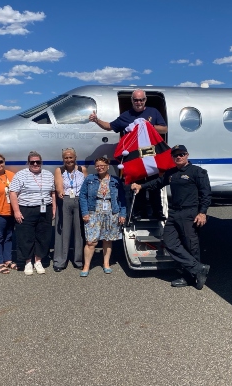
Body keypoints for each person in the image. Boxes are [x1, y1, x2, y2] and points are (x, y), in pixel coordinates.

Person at [131, 145, 212, 290]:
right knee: (169, 242)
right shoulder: (171, 173)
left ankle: (191, 276)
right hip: (174, 213)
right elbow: (157, 183)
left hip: (190, 213)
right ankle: (198, 268)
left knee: (191, 245)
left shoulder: (197, 172)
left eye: (181, 154)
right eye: (175, 155)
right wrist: (141, 186)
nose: (178, 157)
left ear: (187, 155)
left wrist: (202, 212)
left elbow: (206, 193)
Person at [88, 89, 167, 221]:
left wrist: (147, 125)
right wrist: (96, 120)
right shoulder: (126, 115)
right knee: (137, 185)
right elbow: (109, 126)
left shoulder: (153, 112)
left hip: (150, 155)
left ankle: (157, 212)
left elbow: (164, 129)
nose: (139, 102)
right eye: (136, 100)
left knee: (154, 185)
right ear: (132, 101)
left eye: (141, 99)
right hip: (135, 156)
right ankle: (139, 213)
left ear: (145, 100)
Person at [9, 151, 56, 276]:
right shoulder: (21, 175)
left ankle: (38, 261)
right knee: (26, 237)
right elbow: (13, 192)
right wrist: (16, 211)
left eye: (38, 162)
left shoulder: (48, 175)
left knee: (43, 236)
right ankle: (28, 262)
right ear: (28, 163)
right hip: (26, 209)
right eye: (32, 162)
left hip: (45, 209)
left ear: (41, 162)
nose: (35, 164)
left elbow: (52, 192)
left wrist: (54, 207)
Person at [78, 157, 126, 277]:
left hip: (111, 212)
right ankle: (86, 266)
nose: (100, 167)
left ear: (107, 166)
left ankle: (106, 263)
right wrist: (84, 212)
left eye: (102, 165)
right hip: (94, 211)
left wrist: (122, 213)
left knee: (107, 239)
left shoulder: (115, 180)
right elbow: (82, 196)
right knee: (91, 241)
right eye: (98, 165)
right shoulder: (90, 179)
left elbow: (122, 198)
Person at [53, 147, 88, 271]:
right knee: (63, 232)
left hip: (79, 200)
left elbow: (86, 184)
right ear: (63, 159)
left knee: (79, 231)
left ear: (75, 158)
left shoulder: (82, 169)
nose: (69, 160)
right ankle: (60, 261)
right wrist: (60, 190)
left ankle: (78, 260)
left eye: (71, 157)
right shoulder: (59, 170)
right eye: (66, 158)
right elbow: (58, 184)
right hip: (66, 199)